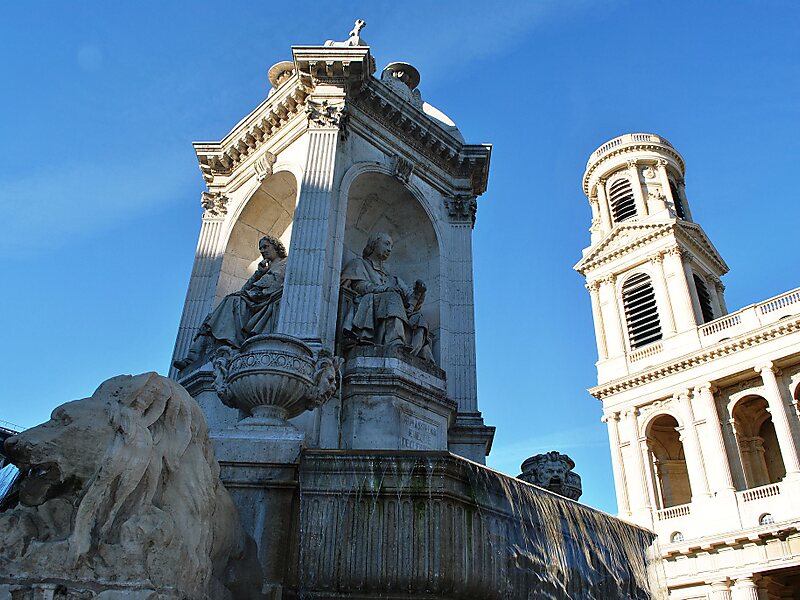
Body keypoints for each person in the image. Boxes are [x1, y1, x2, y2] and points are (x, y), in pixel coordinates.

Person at [173, 235, 288, 371]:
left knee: (230, 301)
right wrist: (258, 273)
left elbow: (279, 285)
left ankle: (224, 345)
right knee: (212, 316)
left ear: (276, 246)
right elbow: (245, 289)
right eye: (261, 248)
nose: (263, 251)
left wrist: (257, 292)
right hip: (252, 300)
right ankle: (192, 358)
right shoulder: (264, 268)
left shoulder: (286, 263)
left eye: (265, 247)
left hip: (264, 300)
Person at [341, 232, 434, 363]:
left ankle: (415, 356)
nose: (389, 249)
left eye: (391, 246)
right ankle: (394, 342)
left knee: (419, 319)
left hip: (391, 307)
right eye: (386, 244)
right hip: (368, 304)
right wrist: (385, 289)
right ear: (374, 243)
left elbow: (409, 303)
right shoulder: (359, 264)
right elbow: (359, 287)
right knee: (392, 297)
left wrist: (418, 292)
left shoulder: (392, 278)